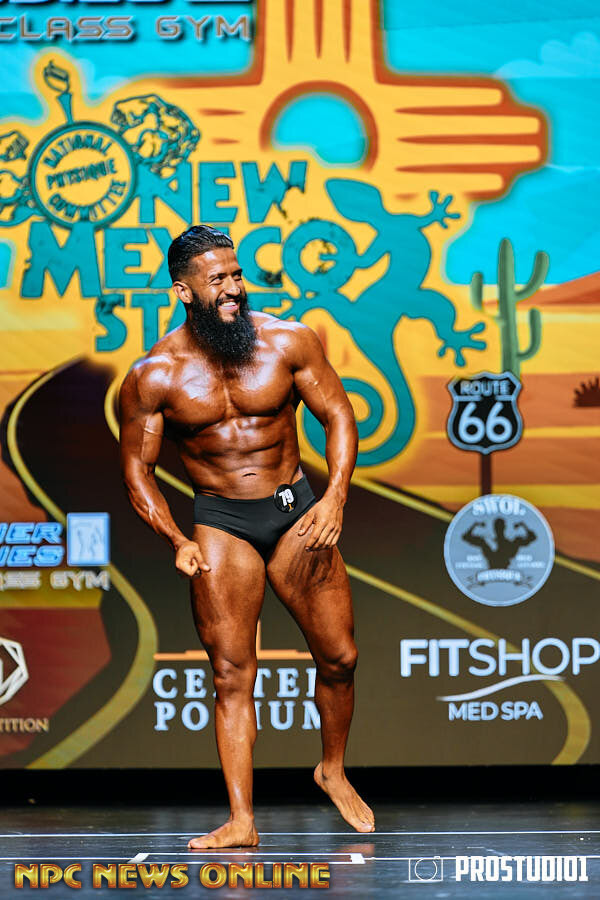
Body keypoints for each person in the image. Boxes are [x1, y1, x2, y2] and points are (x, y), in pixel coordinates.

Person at [119, 224, 375, 848]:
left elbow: (338, 414)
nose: (234, 288)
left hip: (296, 512)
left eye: (237, 275)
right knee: (232, 675)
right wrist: (178, 540)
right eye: (218, 280)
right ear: (184, 291)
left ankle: (332, 768)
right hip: (221, 522)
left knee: (340, 658)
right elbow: (137, 472)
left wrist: (336, 496)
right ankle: (242, 820)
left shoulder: (288, 340)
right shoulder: (154, 375)